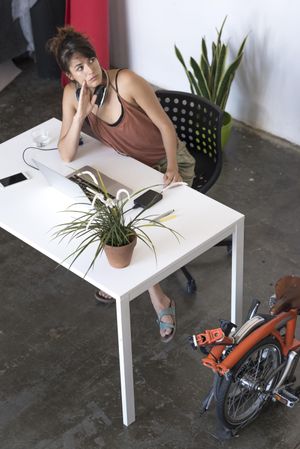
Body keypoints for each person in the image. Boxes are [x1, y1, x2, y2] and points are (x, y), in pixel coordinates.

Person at [47, 26, 195, 343]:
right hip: (131, 168)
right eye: (80, 68)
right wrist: (80, 115)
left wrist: (172, 168)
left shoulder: (125, 82)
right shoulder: (72, 96)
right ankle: (128, 271)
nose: (90, 70)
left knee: (131, 221)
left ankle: (159, 300)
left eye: (91, 60)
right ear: (70, 76)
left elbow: (167, 128)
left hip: (165, 164)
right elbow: (66, 153)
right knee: (102, 209)